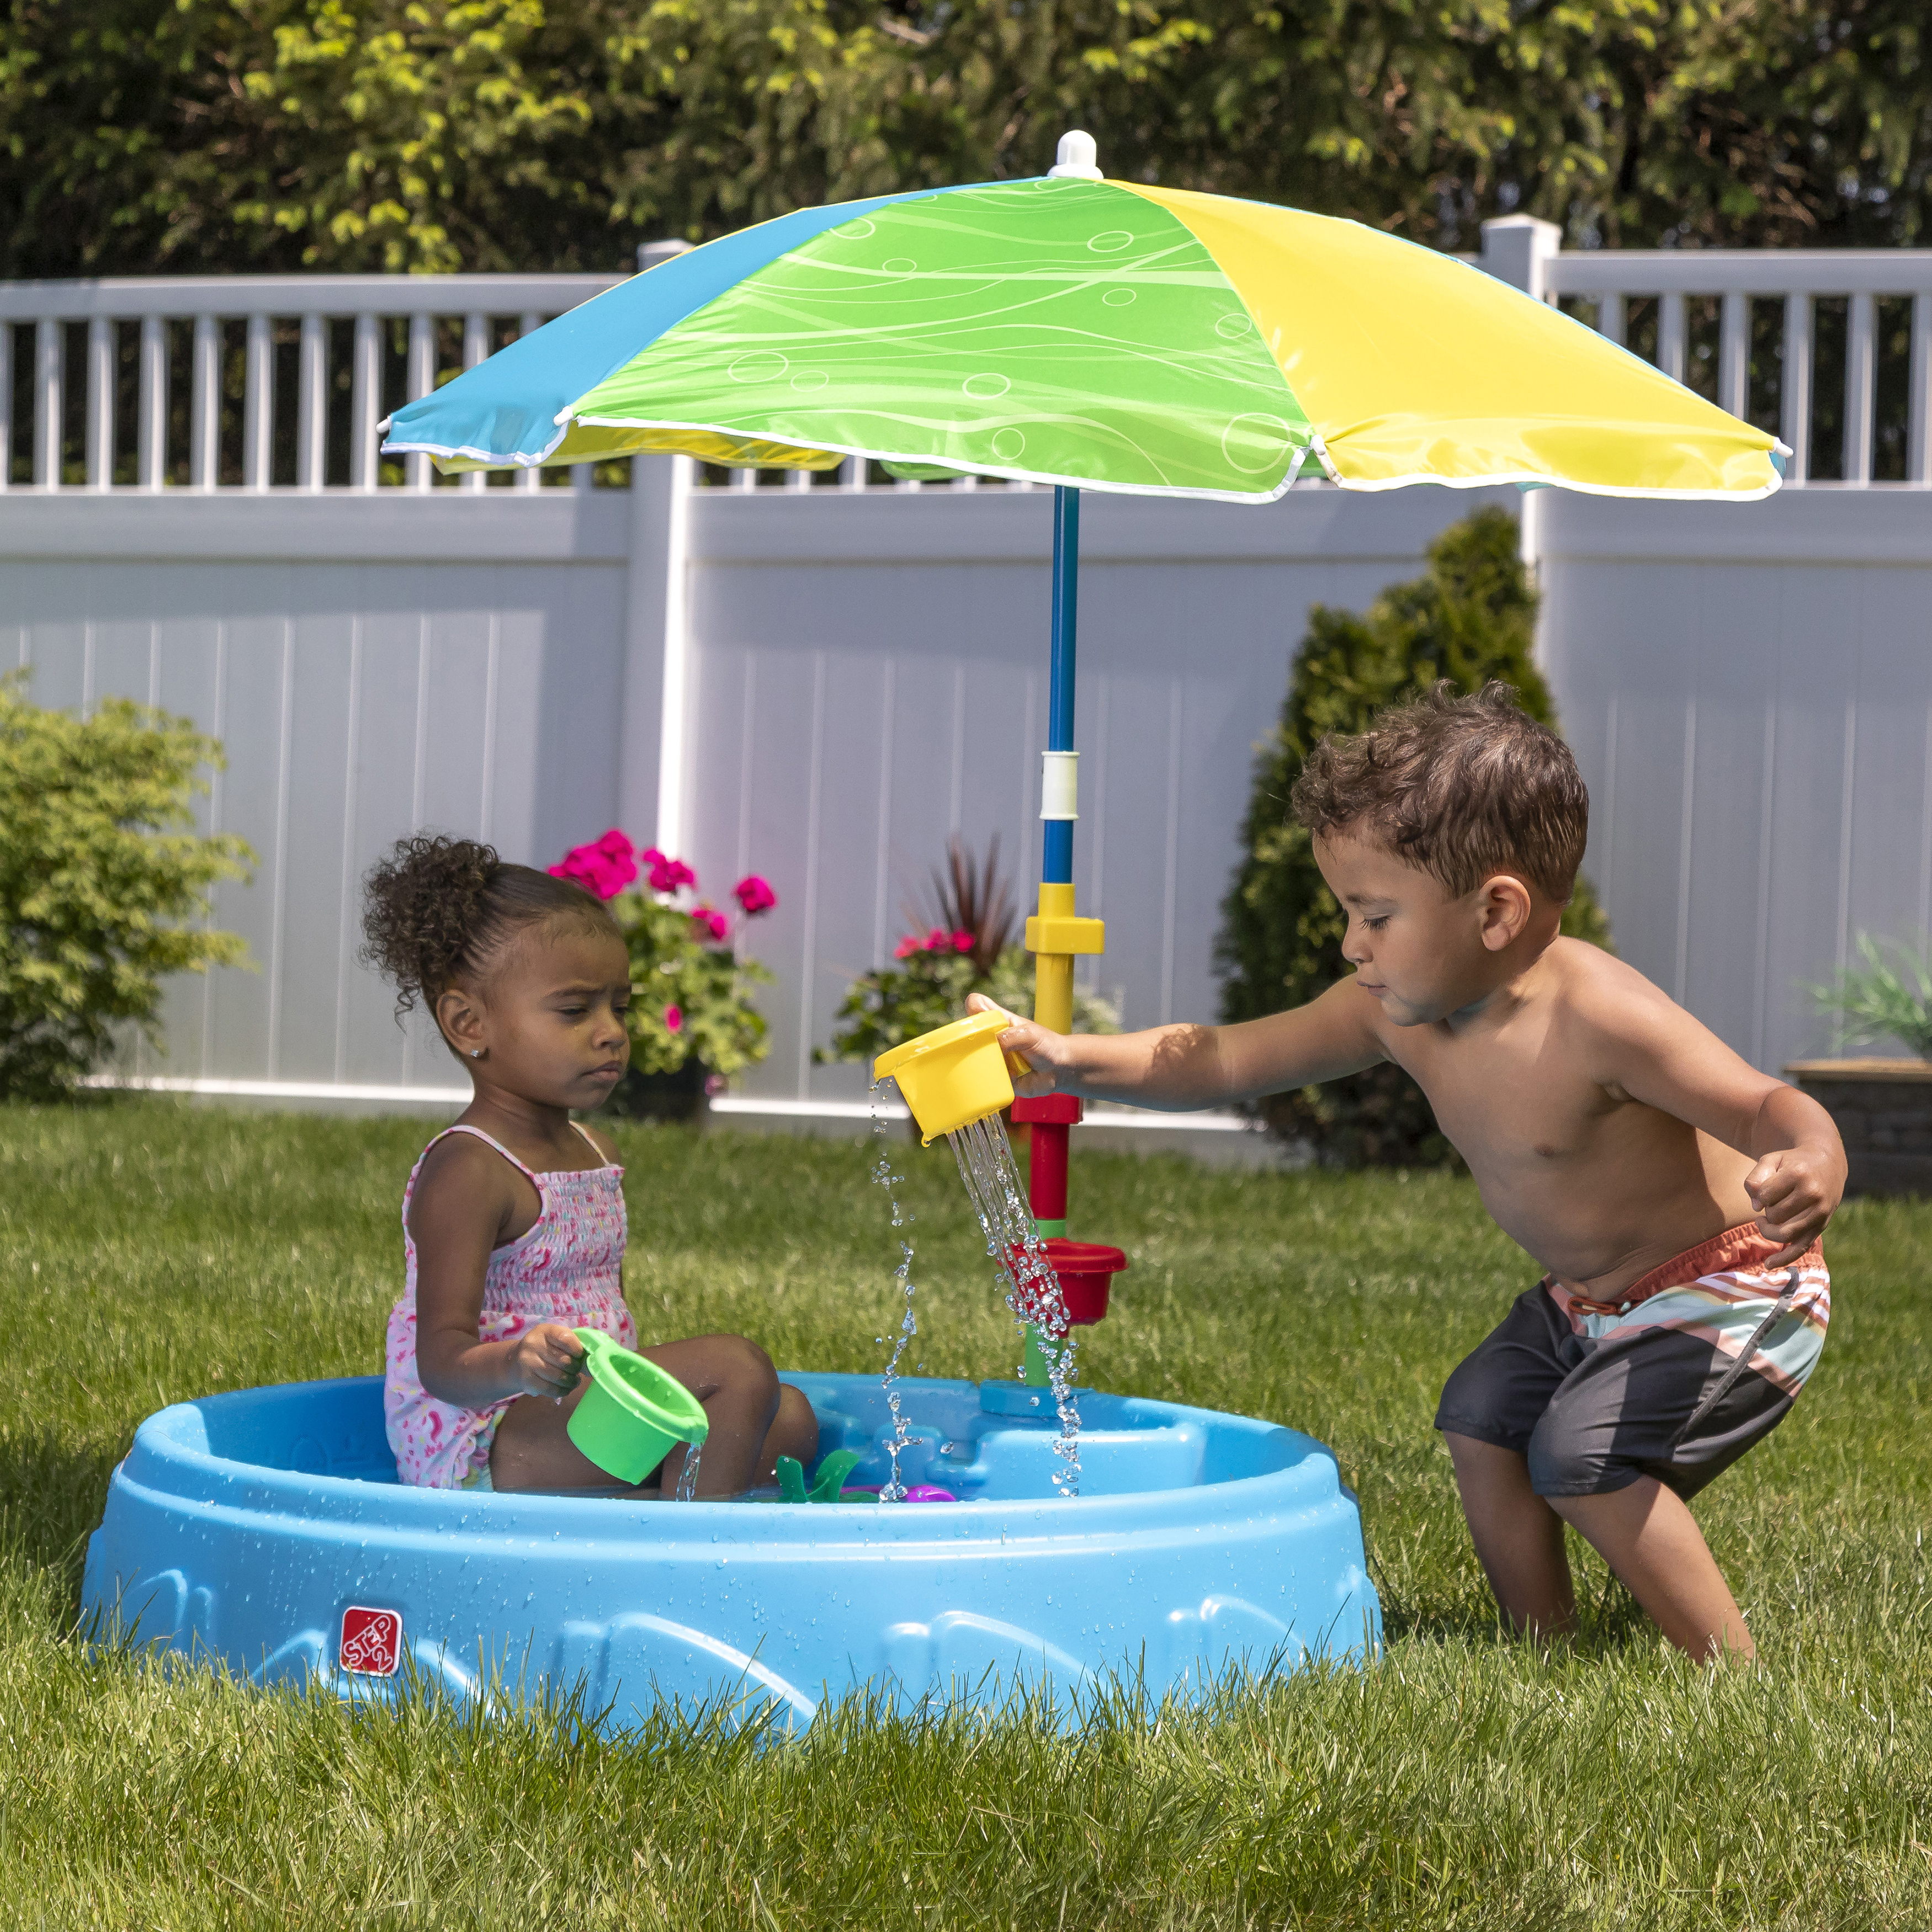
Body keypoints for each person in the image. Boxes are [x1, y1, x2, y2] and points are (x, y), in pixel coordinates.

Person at [977, 682, 1843, 1663]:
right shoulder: (1392, 1013)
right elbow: (1227, 1055)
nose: (1352, 944)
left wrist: (1814, 1157)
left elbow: (1763, 1104)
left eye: (1375, 915)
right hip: (1589, 1299)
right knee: (1482, 1414)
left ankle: (1732, 1673)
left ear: (1496, 911)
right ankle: (1543, 1650)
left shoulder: (1599, 1018)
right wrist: (1073, 1055)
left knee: (1582, 1456)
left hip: (1733, 1284)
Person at [360, 834, 816, 1498]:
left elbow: (611, 1313)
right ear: (468, 1024)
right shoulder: (470, 1168)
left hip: (582, 1420)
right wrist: (516, 1362)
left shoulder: (598, 1152)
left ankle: (655, 1507)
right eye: (575, 1010)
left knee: (792, 1419)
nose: (610, 1031)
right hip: (489, 1439)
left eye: (619, 1006)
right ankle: (685, 1555)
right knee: (737, 1369)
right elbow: (441, 1361)